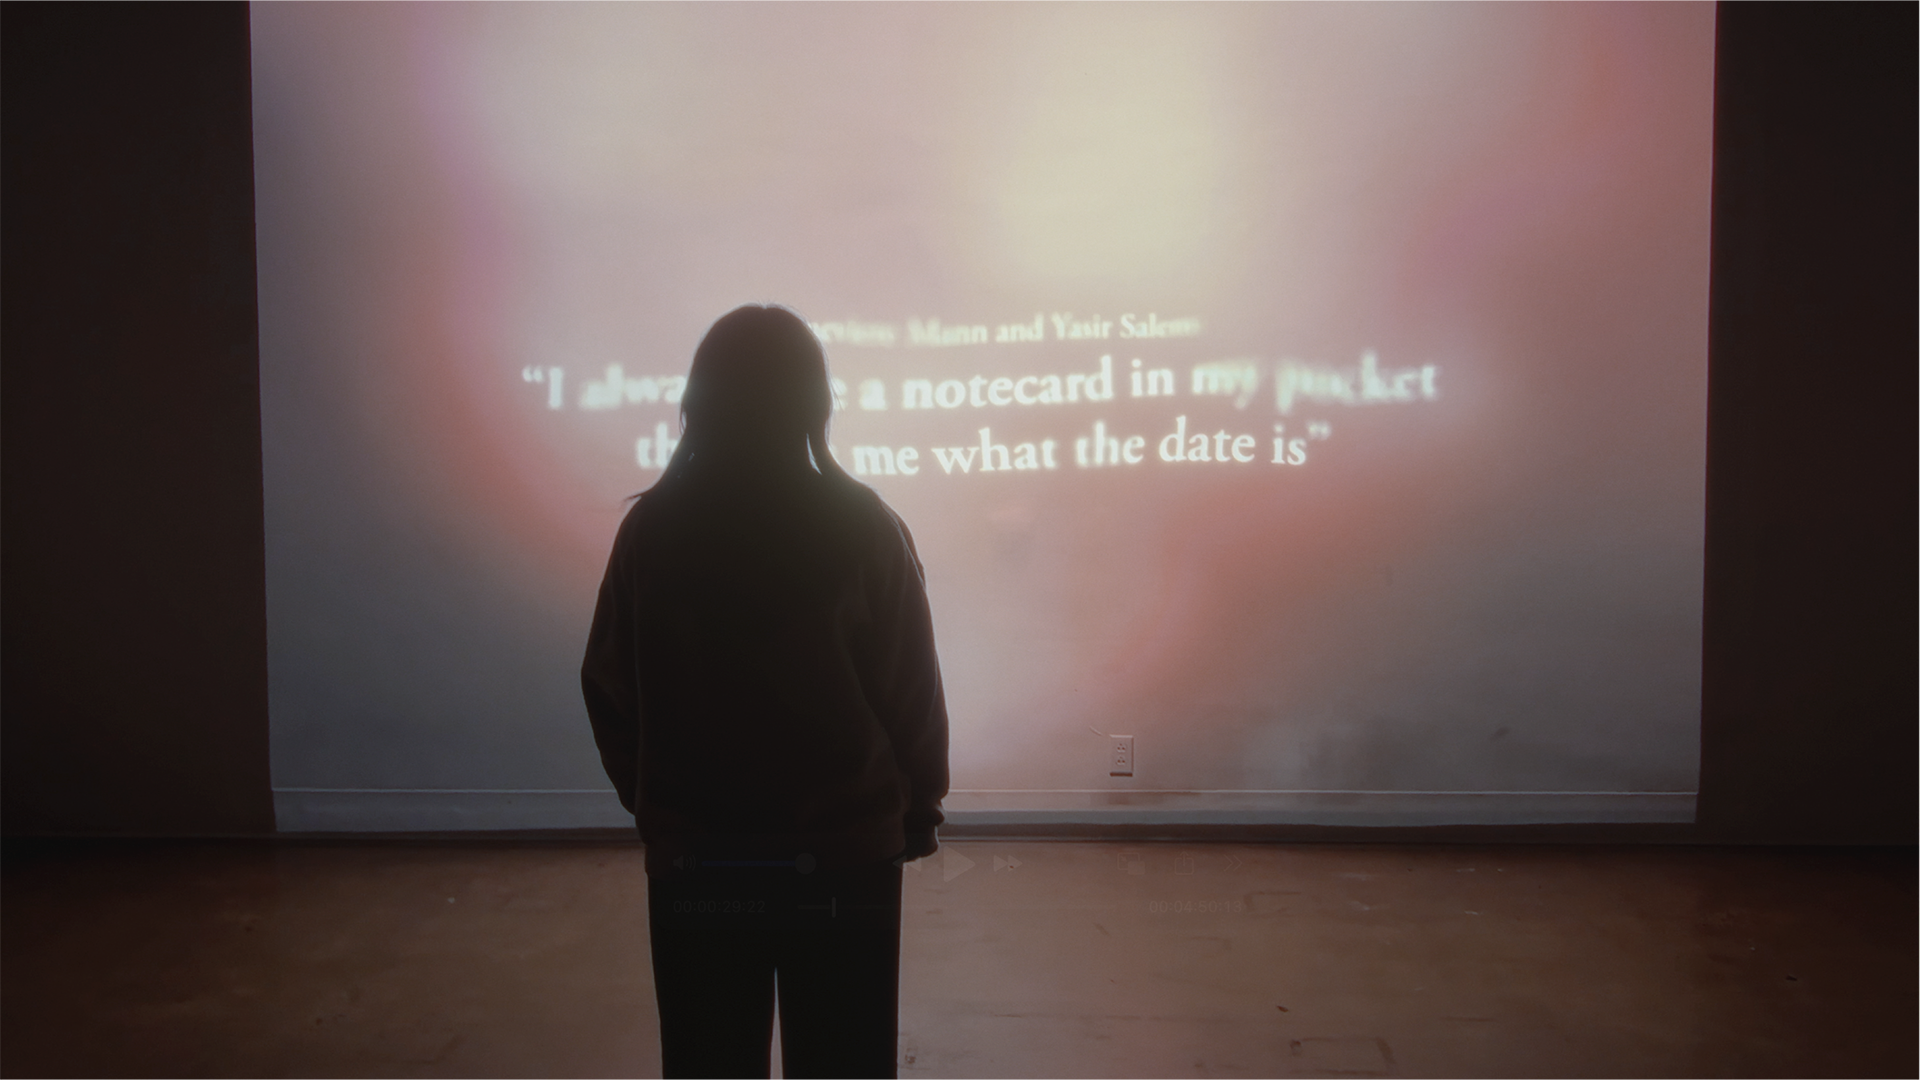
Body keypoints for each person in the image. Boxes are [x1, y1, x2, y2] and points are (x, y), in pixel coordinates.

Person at [581, 304, 949, 1080]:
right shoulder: (864, 527)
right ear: (815, 403)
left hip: (699, 861)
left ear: (698, 402)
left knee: (707, 1059)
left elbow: (609, 688)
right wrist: (918, 809)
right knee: (846, 1061)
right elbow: (911, 689)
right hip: (845, 858)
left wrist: (657, 804)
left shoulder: (652, 531)